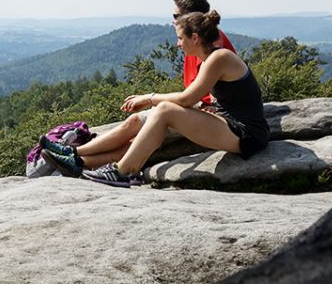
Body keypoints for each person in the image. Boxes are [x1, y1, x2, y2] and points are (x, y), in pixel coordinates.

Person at [45, 10, 269, 186]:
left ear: (195, 38)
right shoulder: (211, 59)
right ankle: (77, 156)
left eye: (180, 38)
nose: (178, 44)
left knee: (164, 110)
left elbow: (186, 99)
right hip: (233, 124)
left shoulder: (219, 57)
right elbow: (222, 98)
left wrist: (149, 98)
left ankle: (124, 171)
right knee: (154, 115)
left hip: (246, 134)